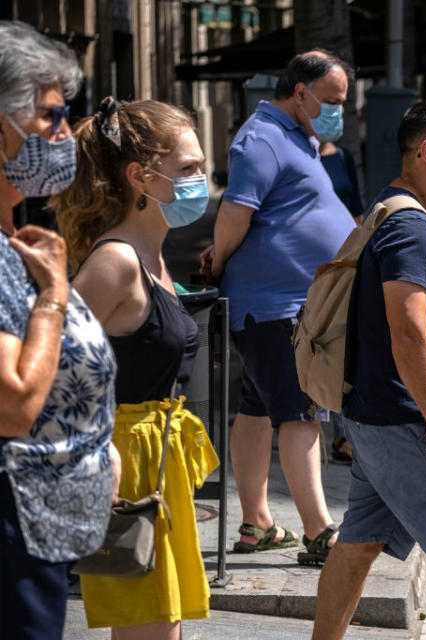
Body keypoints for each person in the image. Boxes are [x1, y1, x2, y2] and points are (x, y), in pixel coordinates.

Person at [311, 100, 426, 640]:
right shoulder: (411, 228)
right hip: (403, 419)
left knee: (360, 543)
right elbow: (407, 328)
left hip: (378, 412)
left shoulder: (392, 209)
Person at [51, 97, 219, 639]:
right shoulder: (117, 262)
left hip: (159, 457)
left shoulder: (153, 257)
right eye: (189, 169)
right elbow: (51, 364)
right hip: (127, 462)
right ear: (138, 177)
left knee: (160, 626)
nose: (202, 180)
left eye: (203, 167)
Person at [202, 50, 356, 565]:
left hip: (287, 303)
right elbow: (235, 211)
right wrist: (218, 263)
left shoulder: (296, 135)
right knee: (299, 413)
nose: (339, 111)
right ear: (300, 93)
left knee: (258, 410)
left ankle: (257, 525)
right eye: (332, 100)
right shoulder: (261, 137)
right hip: (274, 306)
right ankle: (319, 533)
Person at [0, 21, 118, 639]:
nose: (65, 135)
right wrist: (51, 296)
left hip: (36, 530)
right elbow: (15, 402)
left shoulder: (13, 241)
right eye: (51, 116)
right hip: (13, 531)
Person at [317, 117, 363, 464]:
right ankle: (317, 429)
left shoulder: (342, 156)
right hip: (315, 268)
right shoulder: (301, 159)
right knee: (320, 347)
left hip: (346, 263)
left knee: (345, 347)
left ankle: (344, 436)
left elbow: (358, 208)